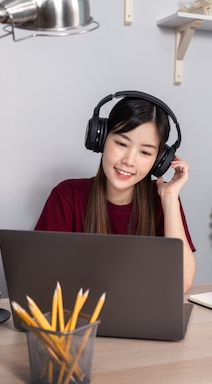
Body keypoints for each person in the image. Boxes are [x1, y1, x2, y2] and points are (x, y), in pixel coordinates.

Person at [34, 91, 196, 292]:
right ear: (100, 139)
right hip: (80, 319)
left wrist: (170, 198)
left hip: (142, 320)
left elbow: (182, 283)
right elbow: (41, 278)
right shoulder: (67, 195)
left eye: (145, 152)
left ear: (159, 161)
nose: (129, 160)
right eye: (121, 143)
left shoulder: (162, 200)